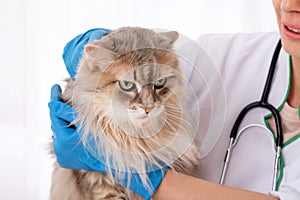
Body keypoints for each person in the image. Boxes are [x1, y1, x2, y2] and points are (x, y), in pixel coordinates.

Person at [48, 0, 300, 199]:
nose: (289, 5)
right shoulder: (220, 55)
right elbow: (144, 66)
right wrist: (99, 53)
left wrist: (148, 179)